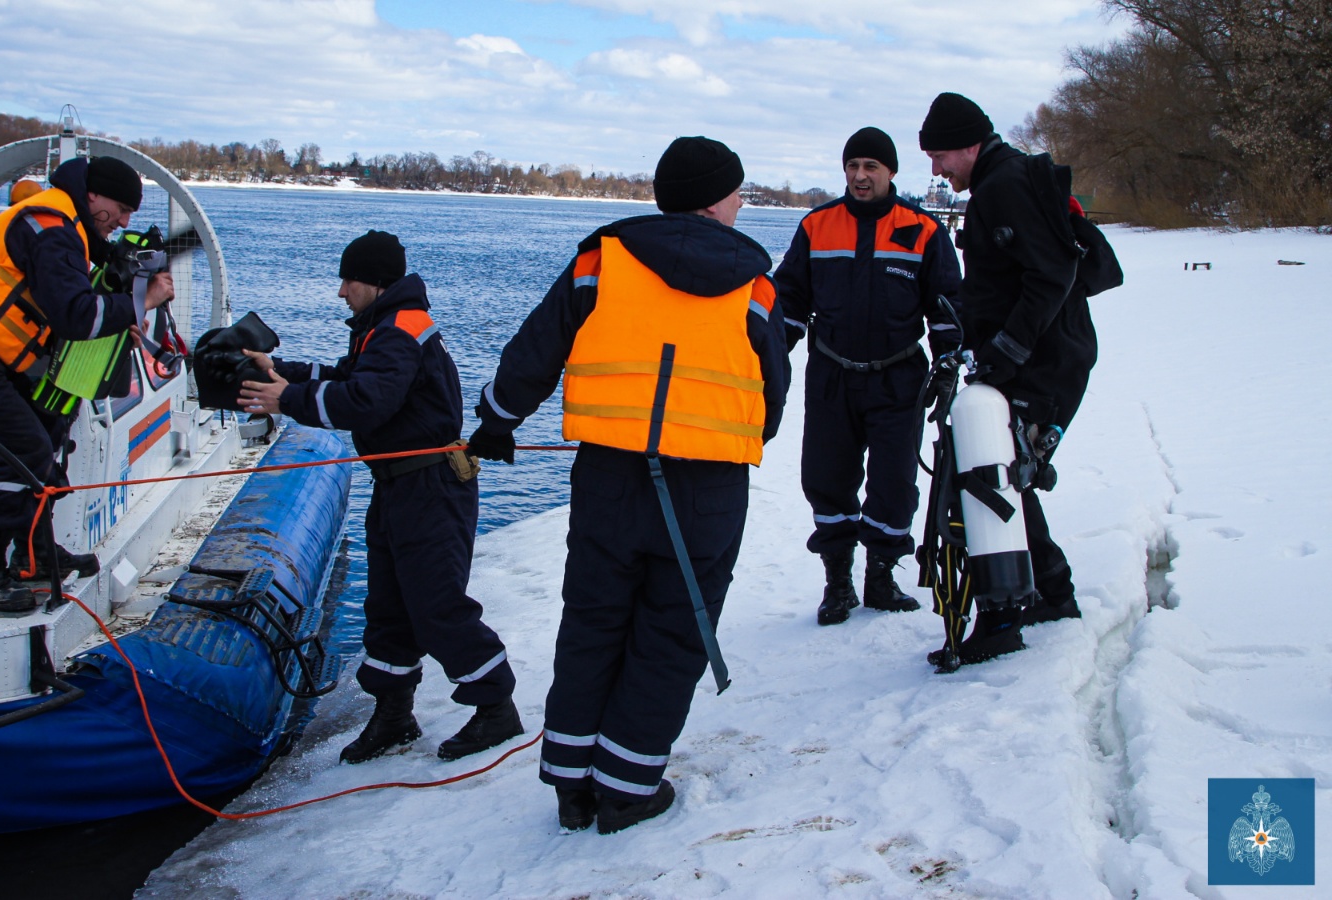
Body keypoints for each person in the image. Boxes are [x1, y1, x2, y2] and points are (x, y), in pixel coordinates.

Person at [468, 137, 790, 834]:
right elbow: (772, 392)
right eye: (738, 192)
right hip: (707, 489)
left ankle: (572, 785)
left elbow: (537, 347)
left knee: (593, 622)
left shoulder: (602, 258)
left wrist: (496, 420)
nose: (742, 204)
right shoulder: (757, 285)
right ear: (715, 199)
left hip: (609, 477)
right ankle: (628, 789)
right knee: (672, 633)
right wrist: (728, 439)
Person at [236, 230, 522, 764]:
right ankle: (394, 715)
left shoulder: (399, 329)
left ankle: (496, 708)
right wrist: (278, 373)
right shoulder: (384, 327)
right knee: (388, 606)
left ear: (376, 282)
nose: (341, 291)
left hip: (430, 488)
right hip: (400, 485)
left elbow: (367, 401)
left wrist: (287, 398)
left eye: (349, 280)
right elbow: (346, 377)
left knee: (436, 605)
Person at [0, 156, 173, 612]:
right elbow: (76, 316)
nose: (124, 222)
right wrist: (140, 302)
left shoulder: (63, 224)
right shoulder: (51, 228)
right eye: (122, 209)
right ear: (93, 196)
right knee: (21, 450)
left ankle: (35, 554)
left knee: (47, 429)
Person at [919, 92, 1100, 661]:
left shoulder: (1006, 185)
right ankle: (1051, 593)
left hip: (1043, 360)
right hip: (1047, 355)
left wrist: (1007, 349)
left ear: (970, 145)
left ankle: (1002, 619)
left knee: (993, 472)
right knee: (1010, 472)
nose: (937, 170)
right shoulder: (1003, 180)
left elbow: (1053, 273)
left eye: (940, 155)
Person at [773, 127, 962, 626]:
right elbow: (790, 300)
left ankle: (881, 577)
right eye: (853, 166)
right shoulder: (817, 226)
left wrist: (948, 362)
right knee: (826, 478)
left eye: (870, 167)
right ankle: (838, 582)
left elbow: (948, 307)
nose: (860, 175)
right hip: (831, 376)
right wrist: (770, 352)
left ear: (890, 172)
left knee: (894, 484)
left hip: (898, 378)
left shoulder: (923, 230)